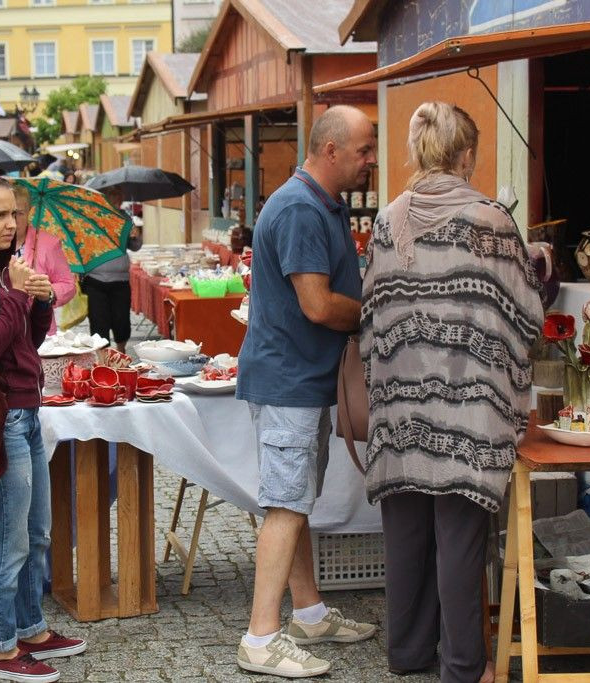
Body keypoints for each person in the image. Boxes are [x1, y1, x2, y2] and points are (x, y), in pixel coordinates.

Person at [359, 102, 542, 683]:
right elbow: (525, 309)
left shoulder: (388, 220)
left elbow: (373, 309)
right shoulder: (491, 219)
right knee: (460, 540)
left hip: (400, 404)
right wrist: (542, 266)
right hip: (469, 406)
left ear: (418, 152)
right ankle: (464, 666)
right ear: (466, 156)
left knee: (407, 531)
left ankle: (409, 654)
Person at [234, 106, 378, 678]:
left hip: (298, 378)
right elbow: (318, 304)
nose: (371, 161)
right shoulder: (298, 207)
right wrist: (376, 312)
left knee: (292, 504)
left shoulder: (320, 202)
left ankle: (310, 613)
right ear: (331, 149)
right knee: (286, 504)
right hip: (288, 380)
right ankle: (261, 638)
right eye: (365, 151)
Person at [0, 172, 86, 683]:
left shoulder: (2, 269)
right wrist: (15, 292)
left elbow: (25, 339)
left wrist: (40, 300)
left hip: (26, 411)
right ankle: (2, 648)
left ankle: (31, 627)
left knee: (36, 532)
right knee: (6, 541)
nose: (12, 224)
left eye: (15, 214)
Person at [81, 187, 141, 352]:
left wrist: (135, 236)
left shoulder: (125, 218)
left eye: (118, 197)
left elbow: (135, 246)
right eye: (112, 197)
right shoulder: (91, 218)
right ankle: (103, 360)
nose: (116, 201)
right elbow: (81, 247)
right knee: (99, 322)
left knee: (122, 320)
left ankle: (121, 352)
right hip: (95, 279)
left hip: (120, 279)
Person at [11, 183, 76, 337]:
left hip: (39, 331)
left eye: (19, 213)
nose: (13, 219)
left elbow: (68, 284)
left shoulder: (48, 243)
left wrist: (49, 292)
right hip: (4, 329)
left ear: (29, 211)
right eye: (7, 213)